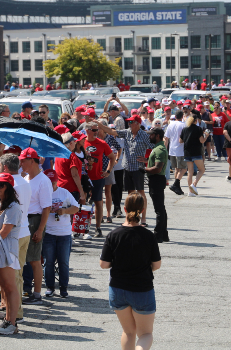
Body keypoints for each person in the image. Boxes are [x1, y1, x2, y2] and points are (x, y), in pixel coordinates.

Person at [99, 193, 161, 350]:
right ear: (143, 210)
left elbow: (104, 264)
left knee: (128, 331)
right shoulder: (148, 236)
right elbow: (157, 264)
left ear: (124, 209)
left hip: (118, 289)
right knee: (145, 334)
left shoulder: (113, 235)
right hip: (142, 289)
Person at [0, 154, 31, 323]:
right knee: (17, 277)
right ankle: (13, 313)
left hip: (12, 235)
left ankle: (15, 315)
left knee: (12, 279)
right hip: (23, 232)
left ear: (5, 167)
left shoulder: (11, 184)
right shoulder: (26, 181)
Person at [0, 172, 22, 335]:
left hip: (7, 250)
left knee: (10, 287)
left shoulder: (13, 206)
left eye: (1, 185)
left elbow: (5, 232)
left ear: (9, 187)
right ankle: (7, 320)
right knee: (4, 287)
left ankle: (12, 323)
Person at [98, 116, 152, 227]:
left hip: (138, 168)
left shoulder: (144, 135)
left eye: (131, 122)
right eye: (129, 122)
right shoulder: (127, 132)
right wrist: (99, 125)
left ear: (137, 123)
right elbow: (112, 131)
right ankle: (131, 218)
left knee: (141, 193)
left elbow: (155, 147)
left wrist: (147, 159)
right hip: (127, 168)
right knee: (130, 194)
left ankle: (143, 218)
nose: (129, 124)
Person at [19, 148, 52, 305]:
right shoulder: (26, 178)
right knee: (27, 258)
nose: (20, 163)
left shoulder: (43, 181)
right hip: (26, 219)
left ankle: (37, 294)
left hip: (35, 220)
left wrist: (40, 229)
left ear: (32, 160)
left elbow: (47, 208)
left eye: (23, 160)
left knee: (34, 259)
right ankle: (30, 291)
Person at [41, 169, 79, 298]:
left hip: (64, 233)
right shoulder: (42, 193)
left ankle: (64, 288)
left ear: (57, 181)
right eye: (48, 182)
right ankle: (50, 287)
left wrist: (64, 211)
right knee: (48, 262)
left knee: (64, 262)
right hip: (48, 233)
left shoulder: (64, 192)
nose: (51, 185)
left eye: (53, 182)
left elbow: (76, 207)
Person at [83, 123, 116, 236]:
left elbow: (112, 157)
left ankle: (98, 228)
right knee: (83, 202)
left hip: (98, 177)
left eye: (97, 130)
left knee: (98, 202)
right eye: (93, 130)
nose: (96, 132)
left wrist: (108, 171)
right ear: (87, 131)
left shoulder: (102, 143)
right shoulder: (82, 142)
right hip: (84, 178)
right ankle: (82, 227)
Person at [139, 128, 168, 243]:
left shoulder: (160, 149)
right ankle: (164, 234)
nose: (149, 137)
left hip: (157, 179)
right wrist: (146, 160)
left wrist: (145, 169)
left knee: (159, 209)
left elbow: (157, 168)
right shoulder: (157, 148)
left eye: (151, 135)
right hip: (156, 179)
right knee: (161, 208)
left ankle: (158, 235)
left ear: (157, 136)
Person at [179, 111, 207, 197]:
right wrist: (207, 135)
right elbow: (202, 140)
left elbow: (180, 141)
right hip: (196, 152)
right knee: (202, 170)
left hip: (187, 152)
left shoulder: (184, 129)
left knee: (190, 172)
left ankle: (190, 191)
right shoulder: (198, 129)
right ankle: (193, 184)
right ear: (196, 120)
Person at [55, 132, 87, 204]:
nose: (75, 143)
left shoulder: (58, 155)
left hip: (60, 187)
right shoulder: (72, 156)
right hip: (71, 189)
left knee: (62, 212)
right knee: (70, 213)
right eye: (74, 142)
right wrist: (81, 192)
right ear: (70, 144)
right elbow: (75, 175)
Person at [164, 111, 187, 196]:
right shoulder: (183, 125)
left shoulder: (171, 124)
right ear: (182, 116)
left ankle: (177, 186)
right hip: (180, 150)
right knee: (184, 168)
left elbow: (166, 138)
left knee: (177, 169)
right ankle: (176, 184)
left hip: (172, 150)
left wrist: (165, 149)